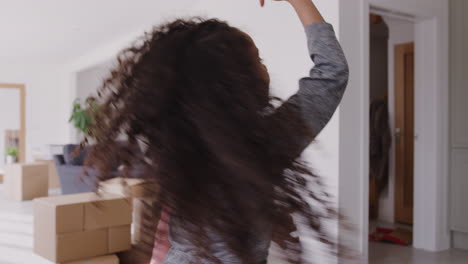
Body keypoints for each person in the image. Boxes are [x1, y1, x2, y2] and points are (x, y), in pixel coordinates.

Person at [87, 0, 348, 263]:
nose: (265, 68)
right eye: (256, 60)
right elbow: (332, 72)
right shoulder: (270, 142)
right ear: (235, 80)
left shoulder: (178, 143)